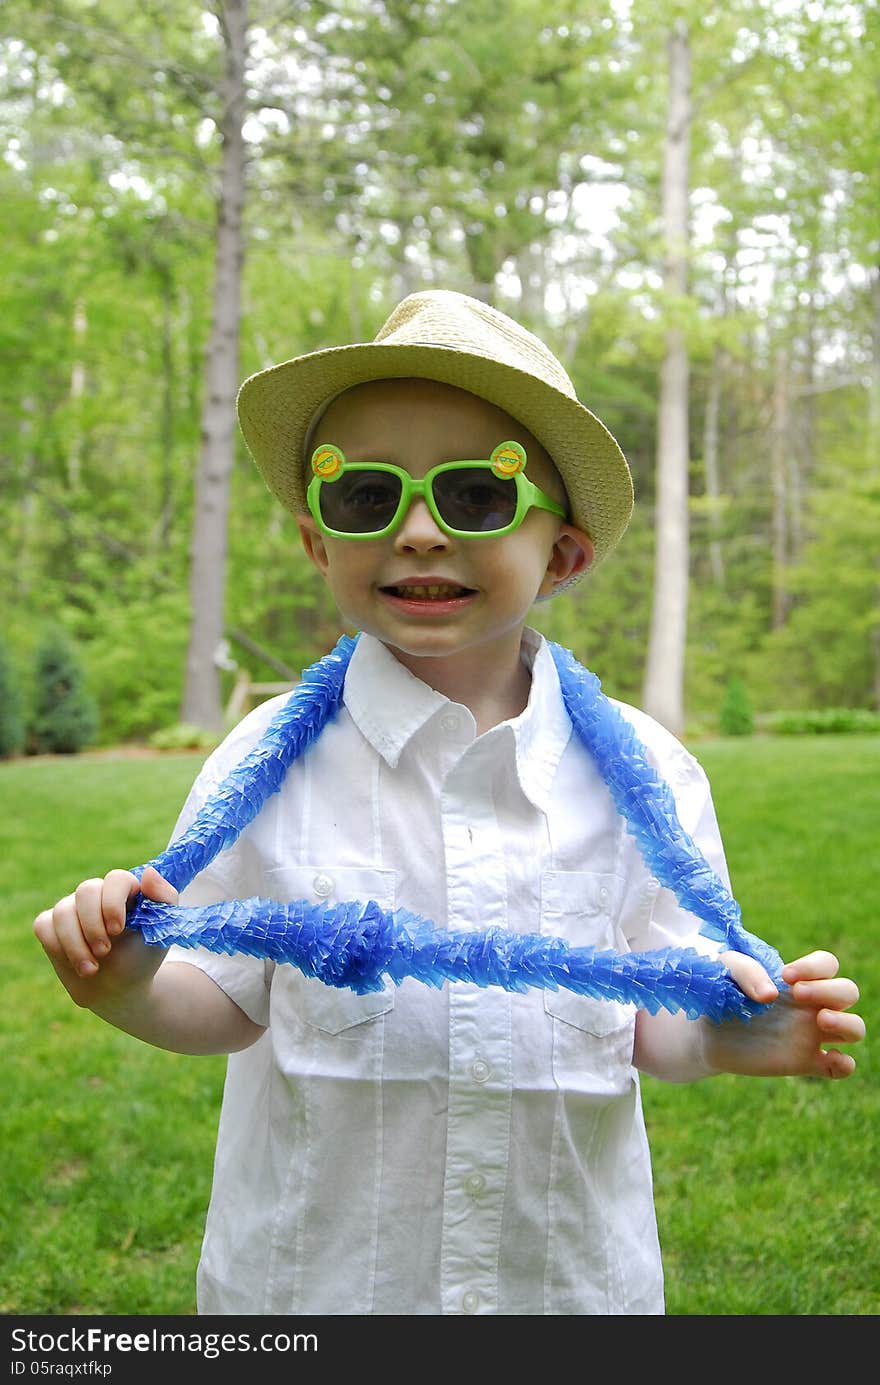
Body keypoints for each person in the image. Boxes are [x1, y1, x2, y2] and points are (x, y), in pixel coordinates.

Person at [34, 289, 864, 1316]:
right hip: (317, 1286)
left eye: (476, 496)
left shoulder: (646, 777)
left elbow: (654, 1011)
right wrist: (124, 986)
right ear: (314, 542)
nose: (419, 531)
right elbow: (226, 1000)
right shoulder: (266, 765)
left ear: (564, 552)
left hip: (557, 1284)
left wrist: (724, 1030)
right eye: (363, 497)